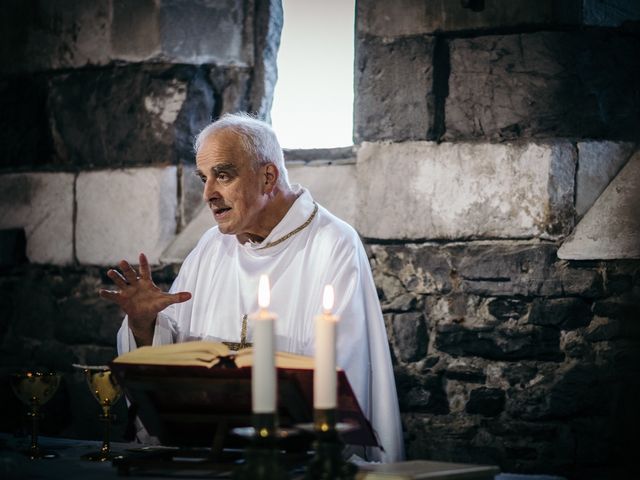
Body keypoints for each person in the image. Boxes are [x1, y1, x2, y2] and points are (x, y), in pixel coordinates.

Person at [101, 113, 404, 462]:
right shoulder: (212, 247)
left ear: (268, 177)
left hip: (292, 460)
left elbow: (344, 374)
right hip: (207, 455)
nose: (208, 194)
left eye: (223, 176)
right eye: (204, 178)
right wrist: (143, 324)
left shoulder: (332, 243)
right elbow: (173, 360)